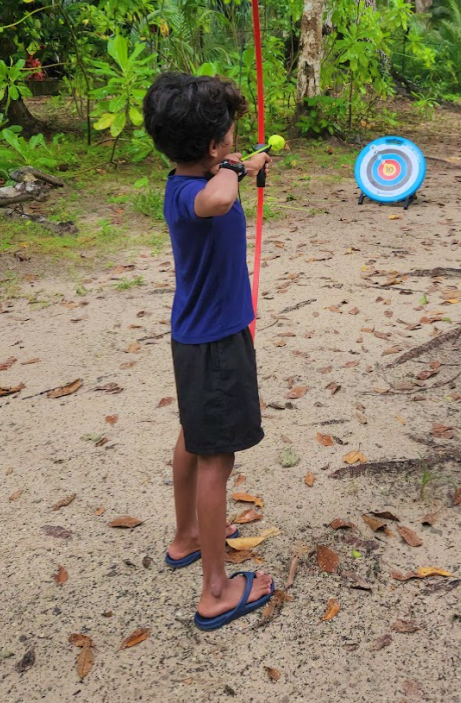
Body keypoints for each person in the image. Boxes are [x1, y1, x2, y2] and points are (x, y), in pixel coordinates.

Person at [143, 71, 274, 631]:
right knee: (217, 459)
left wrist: (238, 161)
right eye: (229, 136)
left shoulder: (183, 181)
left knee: (192, 440)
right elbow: (220, 195)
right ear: (212, 147)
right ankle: (216, 591)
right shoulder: (198, 194)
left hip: (197, 336)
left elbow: (219, 184)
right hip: (216, 343)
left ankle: (187, 536)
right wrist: (238, 168)